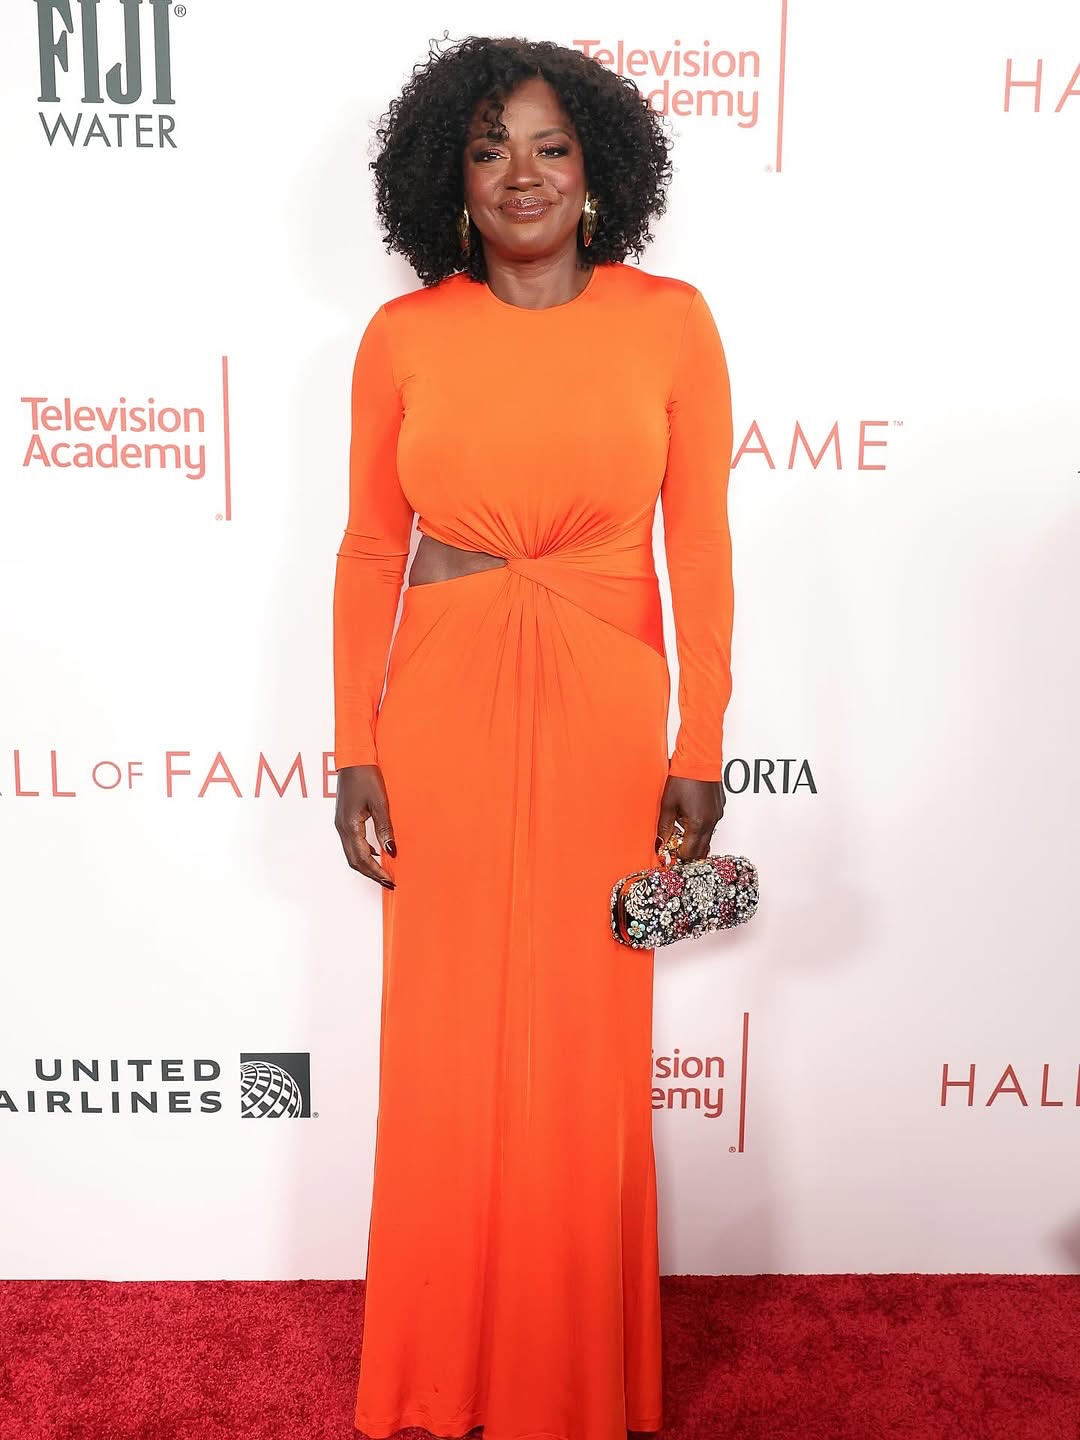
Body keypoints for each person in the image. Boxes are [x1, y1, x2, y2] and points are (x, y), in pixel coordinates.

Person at [332, 34, 735, 1440]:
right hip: (438, 711)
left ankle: (573, 1386)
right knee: (442, 1049)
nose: (522, 174)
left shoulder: (672, 321)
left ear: (598, 171)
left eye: (552, 147)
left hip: (610, 718)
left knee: (582, 1049)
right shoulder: (404, 337)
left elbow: (705, 550)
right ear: (449, 173)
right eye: (492, 146)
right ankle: (436, 1384)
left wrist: (701, 748)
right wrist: (351, 742)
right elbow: (372, 544)